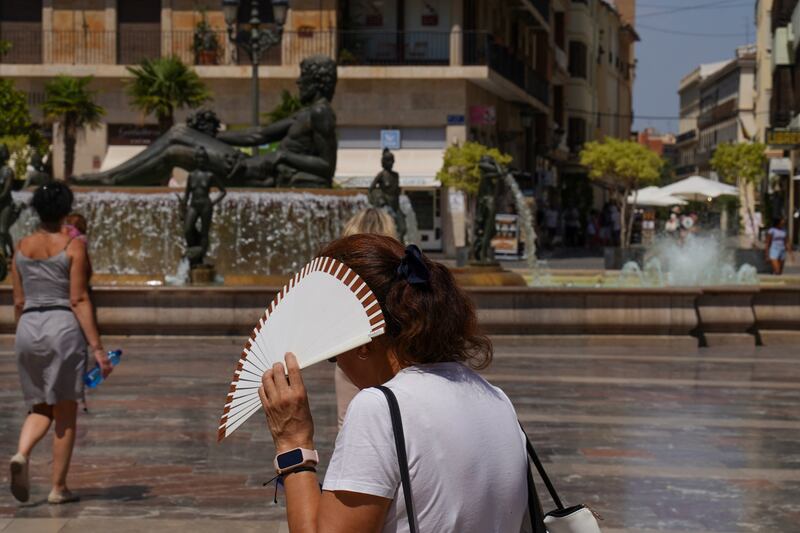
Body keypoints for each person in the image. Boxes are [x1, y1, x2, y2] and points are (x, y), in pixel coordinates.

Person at [257, 234, 528, 532]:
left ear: (361, 341)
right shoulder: (497, 400)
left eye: (333, 354)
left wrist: (294, 444)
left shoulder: (379, 410)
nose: (338, 364)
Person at [9, 183, 112, 505]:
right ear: (65, 211)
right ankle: (58, 488)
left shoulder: (21, 247)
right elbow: (79, 298)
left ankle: (22, 453)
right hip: (61, 328)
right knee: (65, 409)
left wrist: (23, 336)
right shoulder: (72, 246)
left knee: (40, 405)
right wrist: (97, 349)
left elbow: (17, 300)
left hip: (27, 328)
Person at [336, 208, 397, 430]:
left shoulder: (342, 284)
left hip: (353, 355)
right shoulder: (405, 283)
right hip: (397, 359)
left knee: (351, 428)